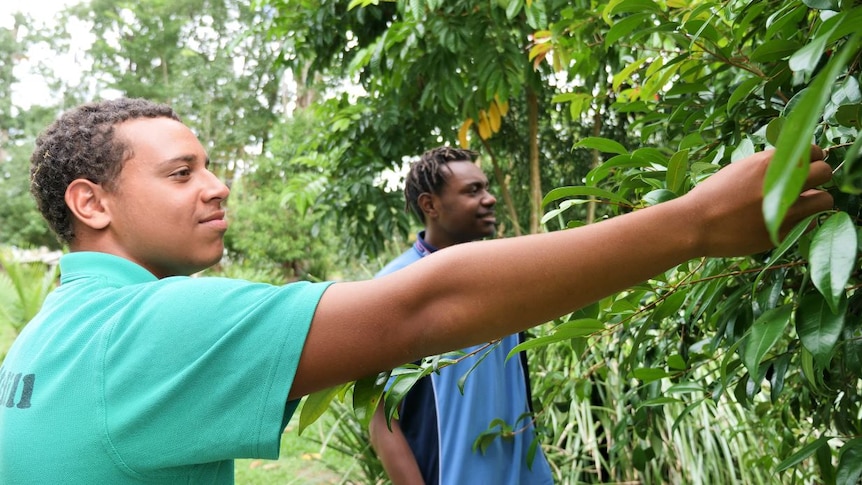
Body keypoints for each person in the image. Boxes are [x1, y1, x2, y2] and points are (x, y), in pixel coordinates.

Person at [0, 98, 833, 483]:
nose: (218, 187)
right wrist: (694, 225)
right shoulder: (148, 325)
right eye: (183, 172)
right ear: (91, 202)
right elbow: (422, 306)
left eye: (212, 166)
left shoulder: (42, 337)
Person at [368, 146, 553, 484]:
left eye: (486, 187)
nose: (490, 198)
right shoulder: (395, 287)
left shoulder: (507, 274)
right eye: (473, 190)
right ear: (430, 205)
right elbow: (379, 419)